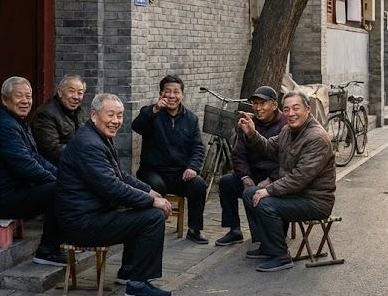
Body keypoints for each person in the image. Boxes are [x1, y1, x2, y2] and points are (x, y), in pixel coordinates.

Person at [56, 93, 174, 296]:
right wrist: (152, 201)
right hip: (81, 223)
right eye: (110, 115)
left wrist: (148, 191)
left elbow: (120, 175)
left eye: (119, 116)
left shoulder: (98, 137)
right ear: (94, 115)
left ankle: (128, 271)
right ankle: (138, 285)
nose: (116, 121)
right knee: (152, 217)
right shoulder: (89, 144)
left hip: (94, 214)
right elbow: (112, 188)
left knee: (141, 209)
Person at [238, 91, 335, 272]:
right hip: (296, 194)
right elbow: (268, 148)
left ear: (308, 109)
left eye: (296, 108)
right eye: (287, 109)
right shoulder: (287, 131)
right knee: (250, 193)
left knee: (265, 203)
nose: (291, 113)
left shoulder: (316, 138)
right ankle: (268, 245)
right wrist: (252, 133)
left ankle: (281, 256)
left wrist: (269, 190)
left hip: (314, 201)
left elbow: (300, 177)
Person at [0, 76, 64, 266]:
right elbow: (25, 165)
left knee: (63, 185)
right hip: (7, 197)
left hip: (20, 190)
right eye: (19, 96)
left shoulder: (17, 122)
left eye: (29, 96)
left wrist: (62, 176)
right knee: (58, 191)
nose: (25, 101)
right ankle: (47, 251)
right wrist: (57, 181)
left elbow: (36, 158)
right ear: (5, 99)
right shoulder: (6, 125)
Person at [131, 75, 208, 244]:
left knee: (198, 185)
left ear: (182, 94)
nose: (172, 96)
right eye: (167, 92)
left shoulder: (191, 119)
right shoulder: (151, 113)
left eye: (176, 92)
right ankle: (151, 228)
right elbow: (136, 126)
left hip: (179, 173)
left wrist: (193, 167)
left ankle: (194, 229)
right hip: (153, 171)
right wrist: (154, 109)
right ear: (161, 94)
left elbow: (197, 147)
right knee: (155, 186)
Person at [214, 86, 285, 247]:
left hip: (276, 178)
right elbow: (238, 154)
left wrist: (271, 179)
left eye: (263, 103)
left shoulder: (285, 125)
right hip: (252, 175)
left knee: (252, 193)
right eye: (255, 104)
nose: (258, 108)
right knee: (226, 182)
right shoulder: (249, 123)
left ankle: (262, 239)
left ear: (274, 105)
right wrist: (245, 176)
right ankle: (234, 230)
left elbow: (287, 160)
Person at [30, 74, 87, 165]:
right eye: (71, 91)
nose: (76, 97)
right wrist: (85, 152)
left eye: (80, 93)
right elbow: (51, 150)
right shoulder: (46, 114)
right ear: (60, 92)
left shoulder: (79, 112)